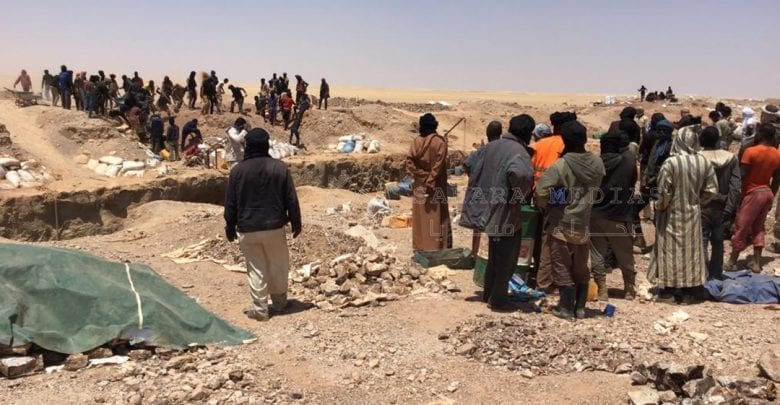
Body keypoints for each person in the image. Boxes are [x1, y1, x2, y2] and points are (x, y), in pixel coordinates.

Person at [224, 128, 302, 321]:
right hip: (274, 226)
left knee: (256, 269)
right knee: (278, 264)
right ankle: (280, 303)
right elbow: (291, 198)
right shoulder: (279, 168)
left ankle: (260, 309)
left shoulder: (237, 171)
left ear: (248, 146)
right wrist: (296, 221)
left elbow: (231, 203)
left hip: (247, 228)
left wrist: (230, 226)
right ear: (266, 145)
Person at [536, 120, 605, 319]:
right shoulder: (597, 163)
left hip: (562, 224)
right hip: (583, 223)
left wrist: (554, 202)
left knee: (561, 266)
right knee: (581, 267)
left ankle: (565, 307)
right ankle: (580, 308)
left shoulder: (561, 166)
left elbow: (541, 192)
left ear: (565, 140)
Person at [648, 124, 718, 304]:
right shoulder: (703, 162)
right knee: (691, 251)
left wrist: (661, 206)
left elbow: (664, 192)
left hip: (671, 215)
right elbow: (711, 190)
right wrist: (697, 202)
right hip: (693, 214)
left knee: (670, 251)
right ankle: (690, 291)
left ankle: (669, 291)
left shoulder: (671, 163)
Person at [477, 115, 535, 309]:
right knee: (507, 258)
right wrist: (519, 196)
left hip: (488, 209)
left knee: (494, 254)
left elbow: (470, 164)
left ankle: (488, 293)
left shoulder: (491, 146)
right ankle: (498, 299)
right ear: (527, 133)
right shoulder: (519, 151)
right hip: (507, 212)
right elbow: (522, 176)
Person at [590, 128, 638, 301]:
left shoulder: (595, 163)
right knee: (625, 252)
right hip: (620, 215)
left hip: (596, 214)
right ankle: (629, 289)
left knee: (597, 253)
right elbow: (632, 182)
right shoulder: (628, 162)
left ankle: (602, 290)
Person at [531, 111, 575, 292]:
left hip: (538, 194)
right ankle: (550, 281)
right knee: (554, 238)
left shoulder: (539, 145)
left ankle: (540, 274)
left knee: (541, 236)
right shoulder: (568, 146)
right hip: (558, 194)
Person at [727, 124, 780, 273]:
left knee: (741, 227)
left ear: (760, 134)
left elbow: (742, 176)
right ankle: (756, 263)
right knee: (758, 227)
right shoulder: (777, 154)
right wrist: (772, 195)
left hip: (752, 194)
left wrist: (737, 197)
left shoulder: (750, 151)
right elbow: (777, 179)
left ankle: (732, 262)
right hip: (767, 193)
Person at [699, 126, 741, 280]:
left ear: (702, 140)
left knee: (701, 241)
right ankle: (716, 274)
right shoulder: (731, 158)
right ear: (718, 140)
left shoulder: (697, 158)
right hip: (722, 206)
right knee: (718, 241)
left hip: (701, 205)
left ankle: (702, 274)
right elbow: (735, 187)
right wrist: (730, 208)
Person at [406, 113, 452, 251]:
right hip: (436, 185)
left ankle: (420, 247)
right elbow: (438, 165)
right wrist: (431, 178)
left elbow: (409, 163)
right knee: (437, 217)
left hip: (420, 185)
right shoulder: (440, 143)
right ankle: (437, 248)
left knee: (420, 218)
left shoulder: (416, 142)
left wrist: (422, 176)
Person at [459, 121, 502, 259]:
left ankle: (475, 252)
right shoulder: (504, 151)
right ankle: (491, 256)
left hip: (480, 190)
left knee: (478, 223)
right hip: (498, 191)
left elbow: (466, 165)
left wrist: (475, 177)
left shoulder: (482, 151)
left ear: (487, 134)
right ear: (500, 134)